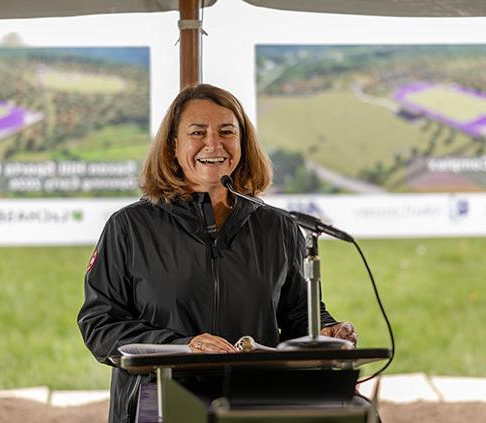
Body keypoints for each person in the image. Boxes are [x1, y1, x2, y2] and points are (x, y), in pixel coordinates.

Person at [78, 84, 357, 423]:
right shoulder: (129, 227)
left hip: (253, 405)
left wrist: (327, 332)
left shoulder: (279, 226)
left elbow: (298, 316)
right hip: (157, 404)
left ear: (242, 143)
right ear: (173, 146)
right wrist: (184, 344)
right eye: (198, 132)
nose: (214, 144)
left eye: (227, 132)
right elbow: (99, 325)